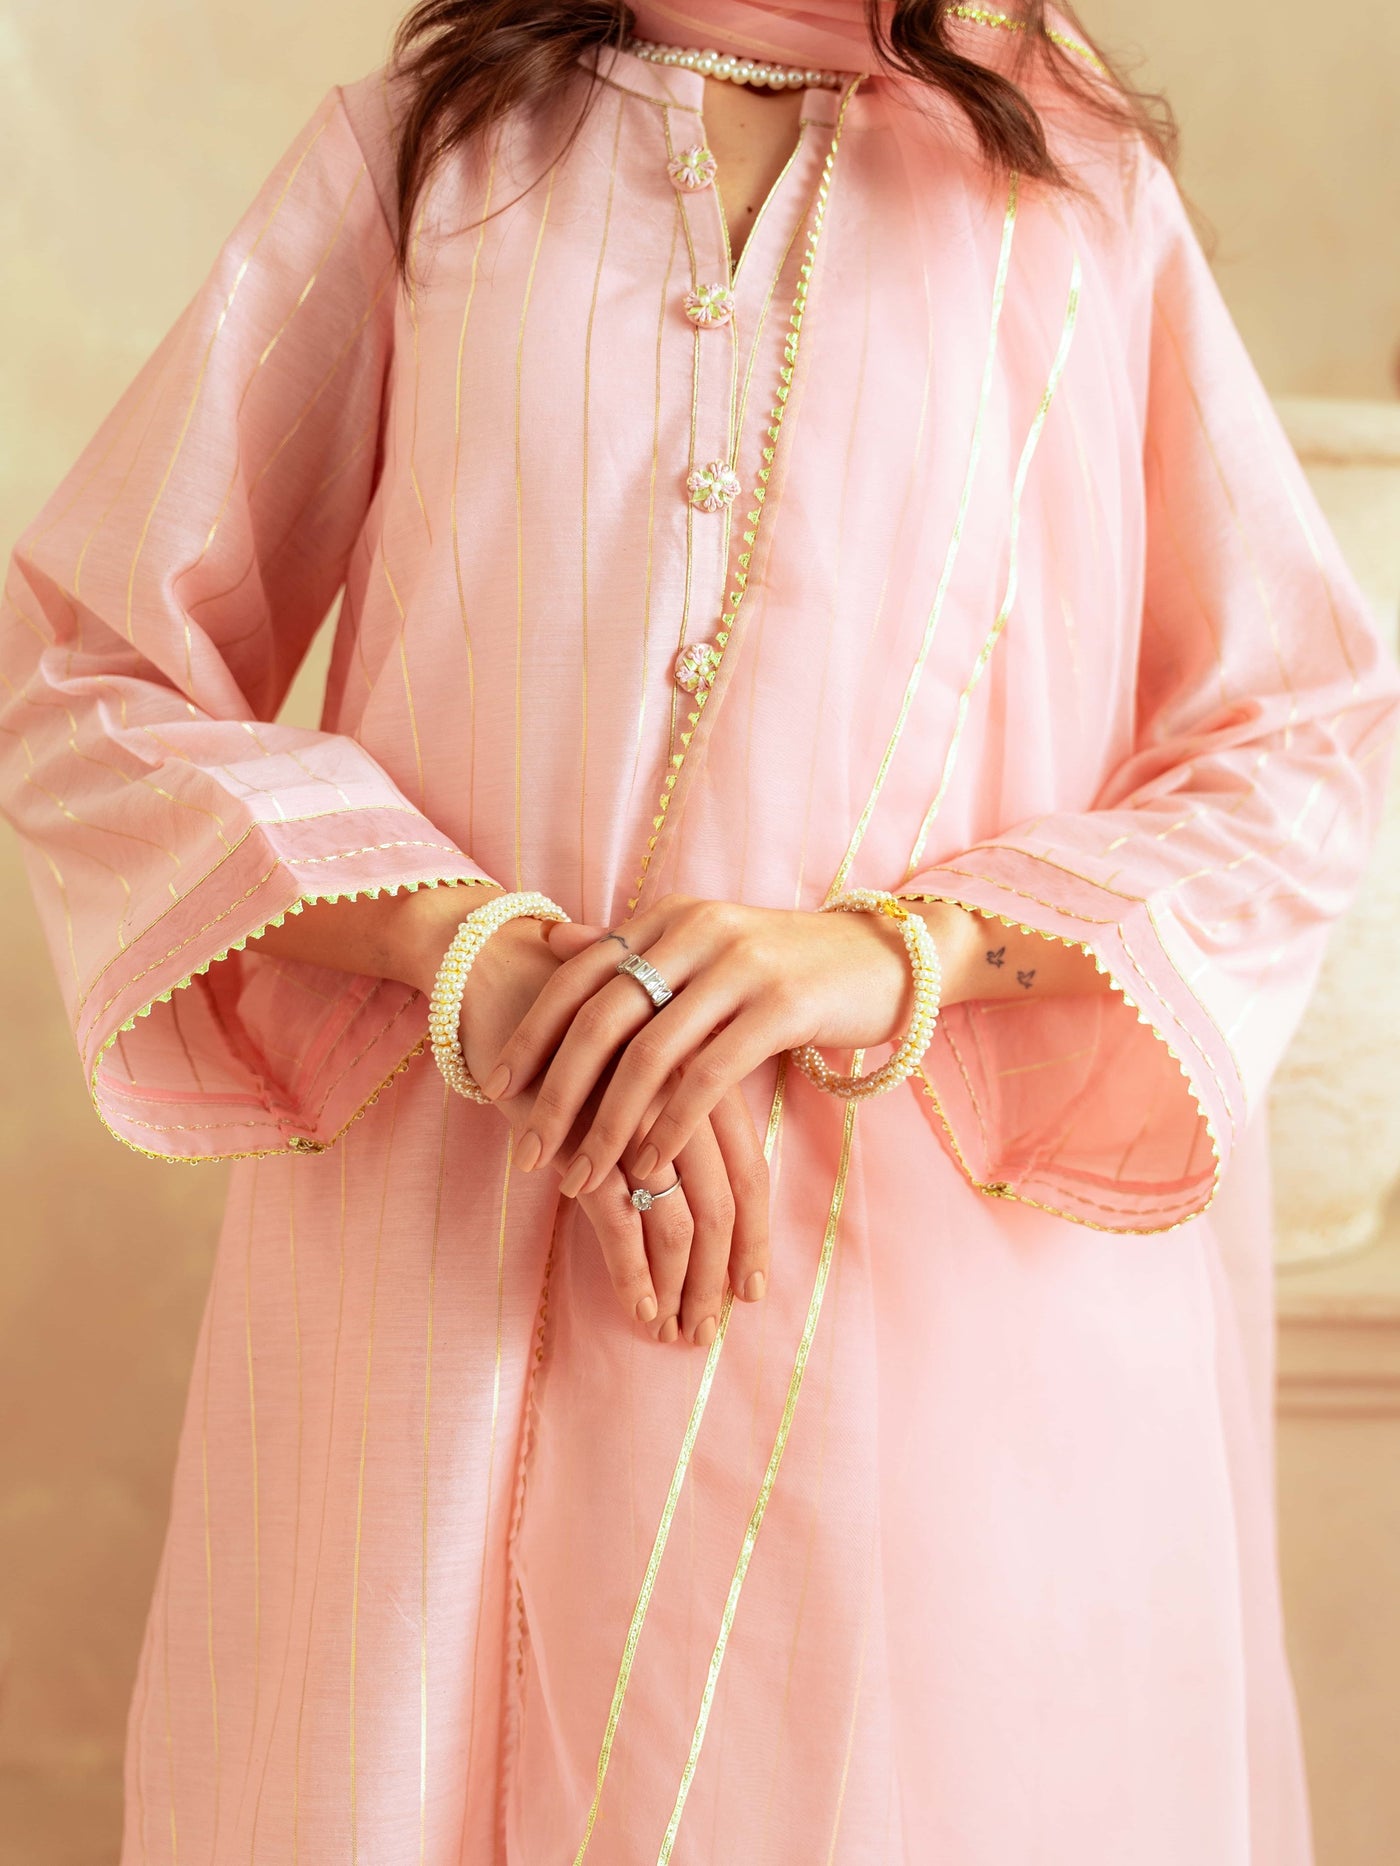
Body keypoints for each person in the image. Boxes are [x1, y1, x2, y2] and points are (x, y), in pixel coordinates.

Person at [3, 1, 1397, 1860]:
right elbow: (85, 674)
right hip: (458, 1271)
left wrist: (898, 955)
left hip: (930, 1350)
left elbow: (1296, 738)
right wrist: (471, 955)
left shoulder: (1071, 201)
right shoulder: (431, 164)